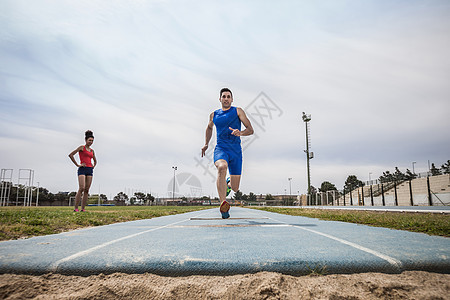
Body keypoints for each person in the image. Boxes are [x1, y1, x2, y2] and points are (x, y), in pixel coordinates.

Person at [201, 88, 254, 218]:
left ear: (232, 99)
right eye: (223, 96)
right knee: (222, 167)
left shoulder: (238, 111)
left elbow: (250, 130)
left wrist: (240, 132)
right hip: (221, 149)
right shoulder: (214, 115)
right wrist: (206, 144)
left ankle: (228, 184)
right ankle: (223, 205)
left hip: (236, 152)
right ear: (220, 99)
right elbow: (209, 128)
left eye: (228, 96)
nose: (226, 98)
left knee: (235, 188)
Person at [68, 130, 97, 212]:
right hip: (82, 169)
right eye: (89, 140)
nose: (91, 142)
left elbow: (95, 160)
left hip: (89, 170)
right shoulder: (82, 148)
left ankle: (83, 208)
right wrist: (77, 164)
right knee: (82, 188)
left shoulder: (92, 151)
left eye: (92, 141)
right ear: (85, 140)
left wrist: (93, 165)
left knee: (87, 190)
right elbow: (71, 155)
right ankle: (76, 208)